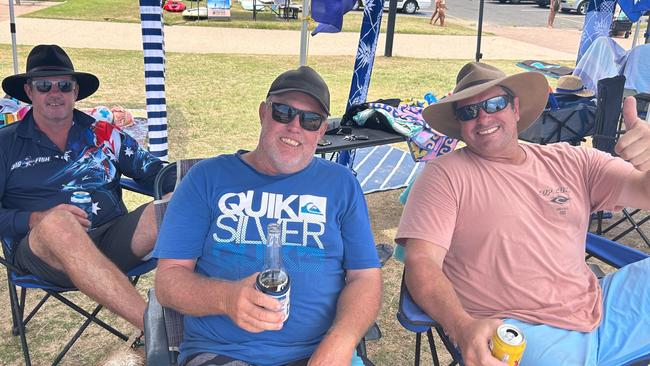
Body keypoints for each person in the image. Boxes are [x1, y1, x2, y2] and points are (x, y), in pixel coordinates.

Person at [396, 62, 650, 366]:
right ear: (460, 124)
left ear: (515, 107)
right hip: (523, 331)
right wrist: (462, 327)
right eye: (468, 112)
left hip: (601, 305)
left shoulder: (573, 160)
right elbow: (422, 262)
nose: (483, 117)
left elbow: (644, 191)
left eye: (494, 104)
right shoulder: (444, 176)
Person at [153, 66, 382, 366]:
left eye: (310, 120)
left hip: (319, 354)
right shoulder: (206, 179)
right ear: (263, 113)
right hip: (225, 354)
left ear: (322, 130)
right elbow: (168, 282)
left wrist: (342, 339)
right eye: (283, 112)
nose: (295, 126)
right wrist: (226, 298)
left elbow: (365, 277)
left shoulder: (342, 185)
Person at [0, 44, 172, 331]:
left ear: (75, 91)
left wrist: (202, 178)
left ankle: (212, 315)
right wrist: (35, 219)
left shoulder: (102, 133)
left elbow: (154, 171)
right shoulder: (5, 144)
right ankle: (159, 331)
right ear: (29, 92)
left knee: (179, 203)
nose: (55, 93)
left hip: (112, 241)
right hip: (46, 253)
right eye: (44, 86)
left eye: (64, 85)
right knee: (59, 223)